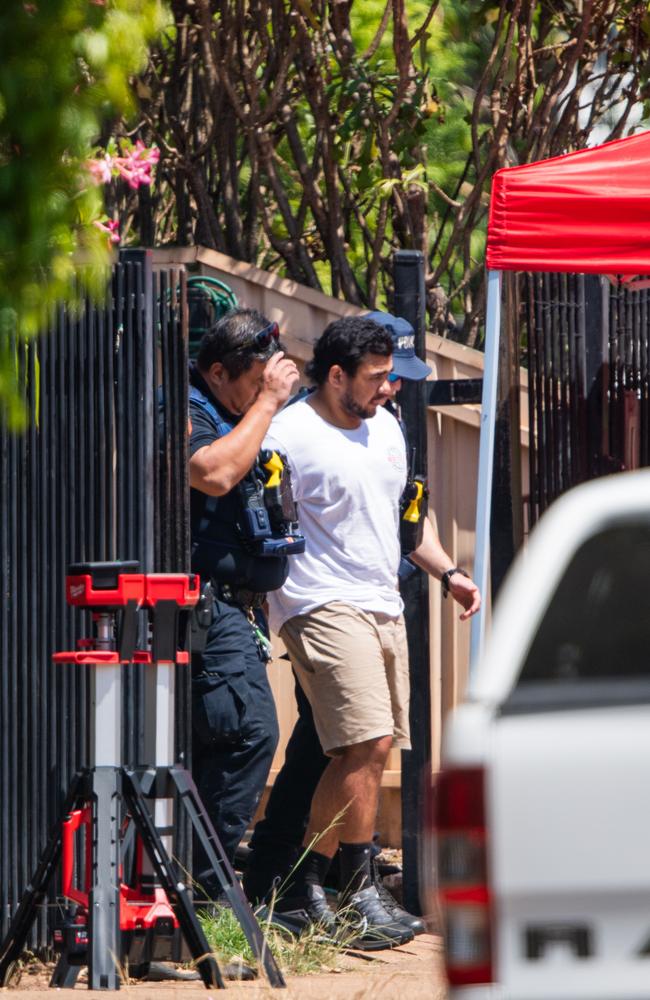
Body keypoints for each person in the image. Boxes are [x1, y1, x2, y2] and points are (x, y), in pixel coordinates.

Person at [245, 315, 480, 950]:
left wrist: (448, 571)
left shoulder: (389, 428)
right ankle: (356, 887)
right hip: (316, 601)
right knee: (368, 739)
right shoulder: (289, 432)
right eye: (378, 378)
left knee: (365, 750)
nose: (390, 388)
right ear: (338, 374)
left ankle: (313, 886)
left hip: (382, 602)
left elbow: (409, 518)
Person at [187, 307, 299, 899]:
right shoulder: (183, 408)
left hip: (238, 605)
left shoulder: (239, 410)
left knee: (224, 738)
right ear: (217, 372)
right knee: (247, 732)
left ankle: (191, 881)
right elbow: (209, 472)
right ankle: (201, 889)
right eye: (254, 380)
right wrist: (267, 405)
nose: (266, 392)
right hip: (202, 604)